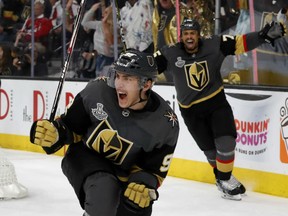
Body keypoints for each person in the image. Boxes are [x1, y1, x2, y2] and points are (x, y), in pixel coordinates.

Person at [29, 49, 179, 216]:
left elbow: (153, 170)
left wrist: (142, 185)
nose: (119, 84)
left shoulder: (165, 123)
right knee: (104, 190)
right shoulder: (97, 92)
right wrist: (54, 134)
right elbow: (69, 127)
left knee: (137, 205)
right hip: (85, 156)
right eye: (118, 75)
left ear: (146, 84)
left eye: (128, 78)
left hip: (125, 172)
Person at [153, 18, 285, 200]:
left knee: (227, 141)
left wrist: (262, 36)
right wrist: (133, 66)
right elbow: (150, 66)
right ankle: (224, 178)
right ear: (181, 36)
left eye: (192, 33)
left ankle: (224, 179)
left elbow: (240, 43)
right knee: (211, 153)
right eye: (185, 34)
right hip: (191, 112)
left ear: (199, 35)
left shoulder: (214, 45)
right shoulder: (170, 53)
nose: (189, 37)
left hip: (216, 102)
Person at [81, 2, 115, 78]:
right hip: (100, 57)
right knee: (99, 81)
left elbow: (110, 46)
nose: (103, 14)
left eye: (106, 13)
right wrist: (92, 9)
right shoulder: (99, 24)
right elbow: (84, 22)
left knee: (106, 82)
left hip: (109, 59)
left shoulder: (116, 27)